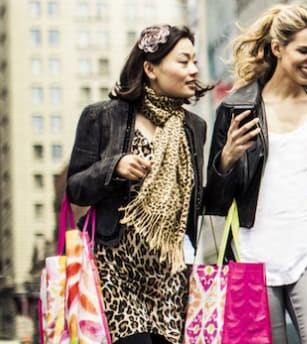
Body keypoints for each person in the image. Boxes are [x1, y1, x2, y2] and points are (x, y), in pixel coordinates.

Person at [203, 4, 307, 344]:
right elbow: (215, 203)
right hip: (252, 260)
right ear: (277, 48)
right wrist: (226, 160)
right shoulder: (236, 108)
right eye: (304, 50)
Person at [66, 24, 210, 344]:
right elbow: (75, 187)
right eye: (183, 61)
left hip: (170, 275)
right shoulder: (102, 117)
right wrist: (113, 167)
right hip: (115, 269)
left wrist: (226, 163)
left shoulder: (194, 128)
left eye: (195, 62)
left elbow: (197, 200)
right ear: (150, 68)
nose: (194, 70)